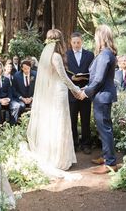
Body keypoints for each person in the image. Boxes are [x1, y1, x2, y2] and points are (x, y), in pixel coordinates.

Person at [27, 29, 82, 172]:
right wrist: (77, 90)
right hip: (59, 92)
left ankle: (51, 155)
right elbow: (64, 77)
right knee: (60, 123)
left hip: (51, 92)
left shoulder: (46, 55)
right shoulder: (56, 56)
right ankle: (60, 159)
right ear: (60, 41)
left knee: (52, 122)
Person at [79, 25, 118, 174]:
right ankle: (106, 155)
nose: (95, 39)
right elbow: (96, 78)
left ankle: (110, 163)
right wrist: (86, 88)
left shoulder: (105, 55)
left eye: (96, 37)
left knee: (105, 128)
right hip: (101, 95)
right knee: (104, 128)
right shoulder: (105, 54)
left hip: (102, 96)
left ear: (102, 37)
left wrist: (86, 92)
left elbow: (99, 79)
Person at [66, 32, 94, 154]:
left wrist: (86, 83)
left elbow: (93, 72)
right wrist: (72, 80)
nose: (76, 45)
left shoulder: (89, 55)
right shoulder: (66, 55)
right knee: (72, 119)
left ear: (81, 42)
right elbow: (64, 72)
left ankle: (86, 144)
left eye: (78, 42)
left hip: (85, 91)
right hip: (72, 91)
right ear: (70, 43)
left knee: (85, 119)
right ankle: (74, 144)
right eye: (74, 42)